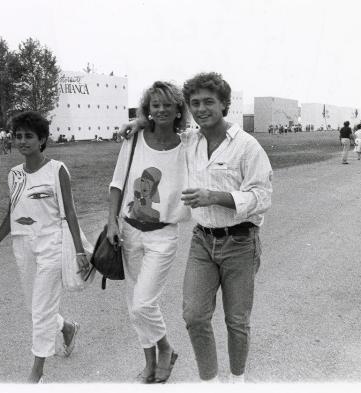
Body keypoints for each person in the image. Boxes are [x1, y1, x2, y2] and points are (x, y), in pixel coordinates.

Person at [122, 72, 272, 383]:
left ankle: (237, 382)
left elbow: (262, 196)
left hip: (240, 242)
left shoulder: (247, 146)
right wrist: (139, 122)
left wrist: (213, 197)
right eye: (195, 103)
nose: (202, 108)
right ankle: (210, 383)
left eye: (208, 102)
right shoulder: (190, 141)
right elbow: (161, 129)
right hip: (202, 241)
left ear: (224, 104)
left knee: (236, 320)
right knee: (194, 316)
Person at [0, 111, 91, 383]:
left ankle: (37, 373)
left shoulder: (57, 169)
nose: (22, 141)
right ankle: (67, 327)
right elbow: (12, 213)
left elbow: (70, 212)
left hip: (52, 245)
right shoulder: (14, 175)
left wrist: (80, 251)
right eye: (18, 136)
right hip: (23, 244)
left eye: (28, 136)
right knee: (34, 307)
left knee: (42, 309)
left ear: (42, 139)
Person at [107, 81, 190, 383]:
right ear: (148, 109)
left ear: (179, 109)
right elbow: (117, 183)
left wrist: (139, 119)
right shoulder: (134, 139)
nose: (162, 109)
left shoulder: (189, 145)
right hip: (129, 230)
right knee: (135, 305)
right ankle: (150, 364)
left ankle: (166, 349)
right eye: (155, 105)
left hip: (163, 235)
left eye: (168, 104)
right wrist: (111, 220)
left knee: (144, 302)